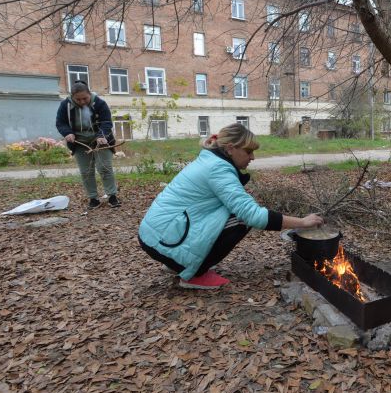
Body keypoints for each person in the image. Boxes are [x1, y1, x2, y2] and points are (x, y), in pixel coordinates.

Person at [138, 123, 323, 289]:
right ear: (231, 148)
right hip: (163, 239)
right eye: (249, 151)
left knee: (234, 211)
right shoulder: (218, 168)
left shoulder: (210, 159)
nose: (253, 157)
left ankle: (175, 262)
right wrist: (302, 222)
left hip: (157, 235)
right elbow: (253, 215)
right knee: (242, 219)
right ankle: (194, 273)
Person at [56, 80, 120, 209]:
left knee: (105, 168)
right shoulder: (65, 105)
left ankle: (112, 196)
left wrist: (101, 135)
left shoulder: (99, 103)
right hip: (79, 142)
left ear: (89, 94)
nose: (82, 102)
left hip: (100, 141)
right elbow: (60, 123)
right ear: (72, 97)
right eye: (78, 100)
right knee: (86, 171)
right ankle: (93, 198)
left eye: (85, 98)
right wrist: (67, 133)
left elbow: (106, 121)